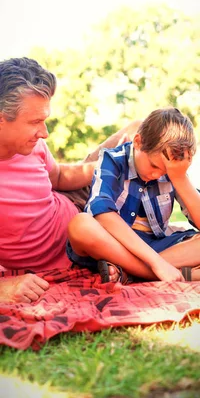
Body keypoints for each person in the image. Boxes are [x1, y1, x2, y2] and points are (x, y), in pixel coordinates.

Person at [0, 56, 141, 304]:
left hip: (74, 203)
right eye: (35, 122)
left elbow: (61, 177)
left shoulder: (34, 146)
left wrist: (103, 167)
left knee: (141, 129)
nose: (44, 133)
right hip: (77, 243)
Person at [67, 108, 200, 284]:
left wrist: (179, 178)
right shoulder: (112, 160)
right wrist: (157, 262)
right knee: (80, 225)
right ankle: (167, 273)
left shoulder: (173, 170)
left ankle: (130, 272)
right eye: (153, 166)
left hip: (155, 245)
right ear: (138, 141)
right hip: (114, 244)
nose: (157, 174)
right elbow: (101, 214)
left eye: (165, 171)